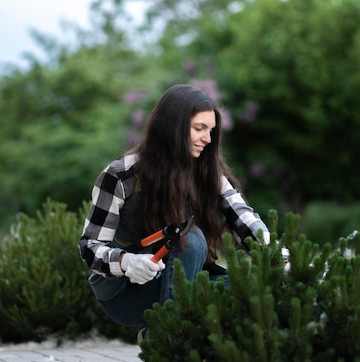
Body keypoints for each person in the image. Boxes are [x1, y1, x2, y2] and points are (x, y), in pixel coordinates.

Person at [78, 84, 269, 339]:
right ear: (172, 127)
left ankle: (158, 337)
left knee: (255, 286)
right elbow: (90, 246)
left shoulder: (208, 173)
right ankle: (170, 343)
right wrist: (126, 261)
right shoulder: (121, 175)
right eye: (199, 129)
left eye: (210, 130)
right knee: (190, 240)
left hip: (181, 280)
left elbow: (243, 217)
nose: (208, 139)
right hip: (127, 291)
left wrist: (280, 257)